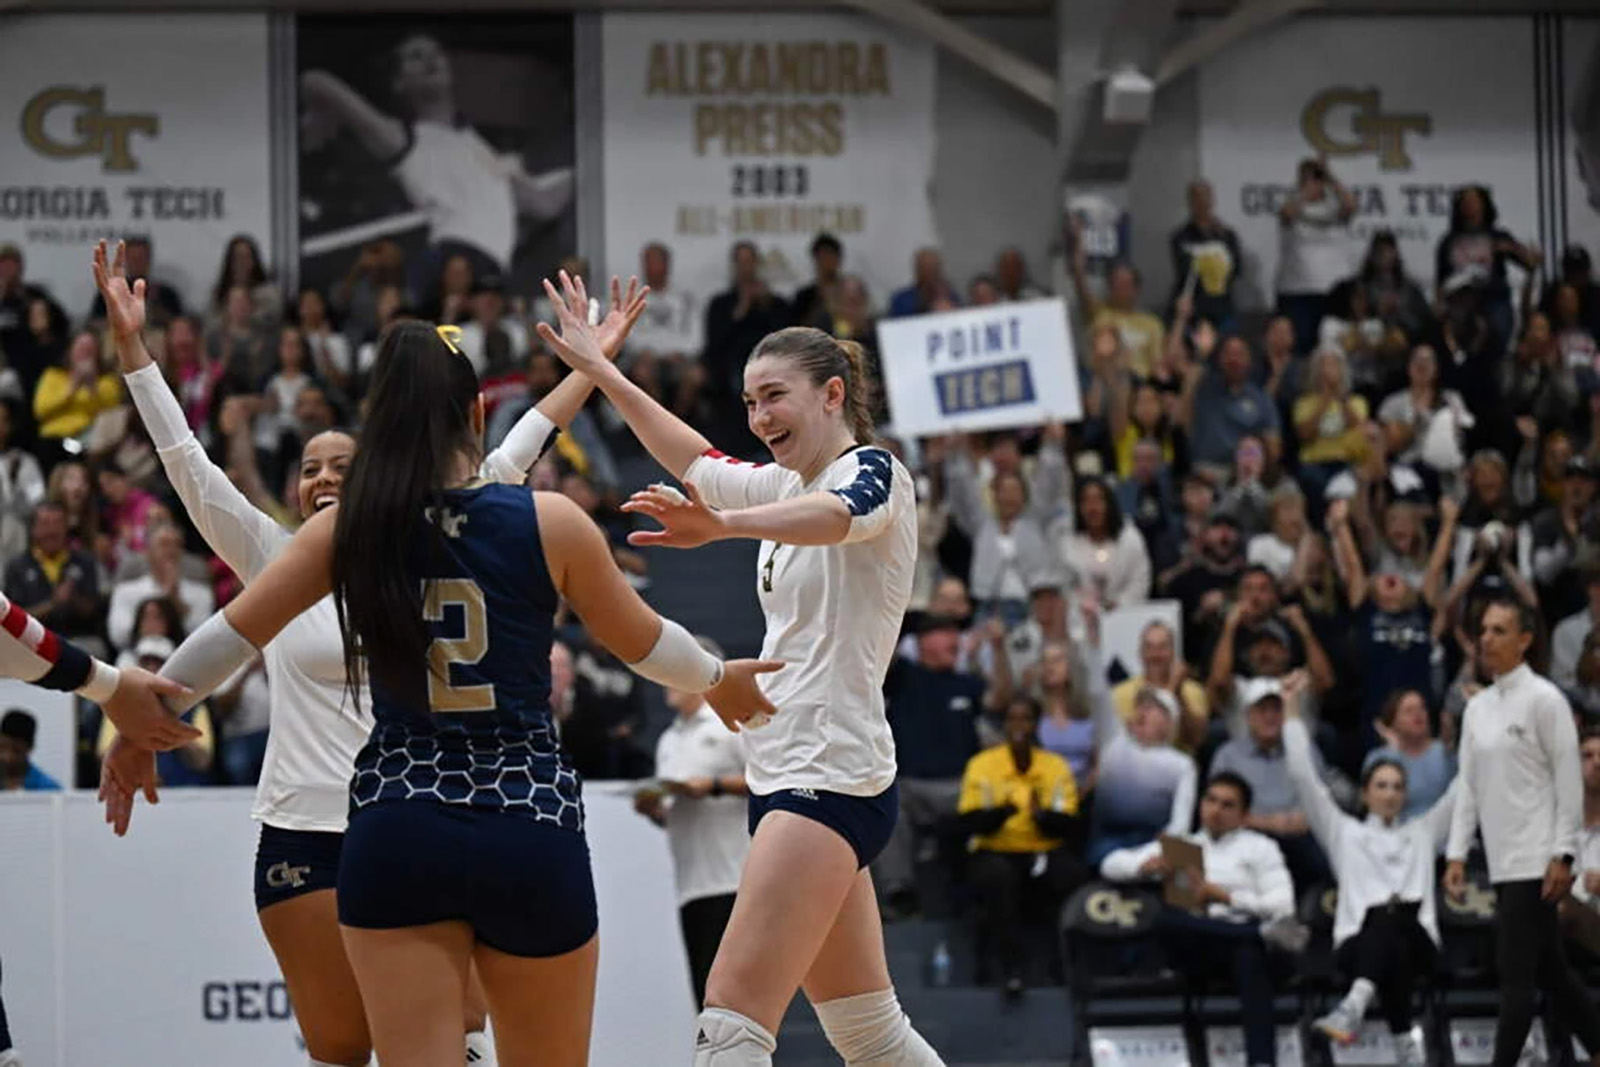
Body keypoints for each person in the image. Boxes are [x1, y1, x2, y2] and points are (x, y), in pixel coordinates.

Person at [105, 317, 778, 1067]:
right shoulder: (549, 519)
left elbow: (226, 637)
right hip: (526, 815)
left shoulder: (349, 531)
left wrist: (138, 720)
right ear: (477, 415)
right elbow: (645, 639)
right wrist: (719, 678)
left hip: (397, 821)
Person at [536, 272, 943, 1066]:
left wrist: (720, 524)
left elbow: (836, 518)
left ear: (832, 395)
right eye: (750, 402)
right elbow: (693, 455)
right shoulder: (783, 482)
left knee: (730, 1019)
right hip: (794, 771)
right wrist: (600, 369)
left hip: (826, 774)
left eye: (774, 397)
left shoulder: (875, 471)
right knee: (869, 1032)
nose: (758, 418)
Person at [1445, 596, 1600, 1067]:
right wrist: (1455, 853)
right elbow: (1468, 787)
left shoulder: (1545, 700)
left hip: (1536, 859)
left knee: (1516, 983)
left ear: (1526, 640)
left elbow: (1568, 783)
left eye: (1498, 631)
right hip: (1501, 858)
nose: (1486, 639)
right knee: (1552, 973)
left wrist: (1564, 854)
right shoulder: (1477, 709)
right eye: (1483, 631)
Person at [1274, 672, 1456, 1066]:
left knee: (1393, 918)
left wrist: (1479, 720)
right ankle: (1405, 1040)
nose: (1390, 794)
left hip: (1422, 943)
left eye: (1397, 787)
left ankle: (1354, 1004)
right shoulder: (1344, 832)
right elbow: (1305, 777)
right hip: (1357, 948)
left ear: (1405, 795)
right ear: (1365, 792)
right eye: (1381, 785)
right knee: (1385, 922)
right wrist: (1290, 711)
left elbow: (1466, 788)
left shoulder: (1422, 833)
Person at [299, 33, 574, 285]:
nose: (430, 60)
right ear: (399, 82)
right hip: (451, 259)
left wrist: (586, 169)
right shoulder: (404, 138)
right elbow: (315, 80)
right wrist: (320, 115)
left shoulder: (478, 145)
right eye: (416, 56)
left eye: (435, 53)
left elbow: (544, 204)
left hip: (490, 268)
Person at [1099, 771, 1305, 1067]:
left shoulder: (1260, 848)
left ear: (1244, 815)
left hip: (1246, 952)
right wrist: (1145, 867)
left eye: (1227, 805)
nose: (1216, 810)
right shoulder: (1184, 846)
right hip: (1200, 949)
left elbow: (1284, 906)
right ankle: (1258, 933)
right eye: (1211, 801)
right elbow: (1109, 865)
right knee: (1164, 920)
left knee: (1248, 956)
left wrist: (1224, 897)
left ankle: (1262, 1062)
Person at [635, 635, 751, 1007]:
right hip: (692, 884)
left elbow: (769, 780)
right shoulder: (668, 739)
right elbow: (675, 810)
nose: (666, 682)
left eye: (674, 672)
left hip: (734, 879)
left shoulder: (731, 725)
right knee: (704, 997)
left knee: (733, 999)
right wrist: (656, 811)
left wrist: (713, 785)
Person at [0, 709, 58, 790]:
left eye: (17, 751)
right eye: (2, 748)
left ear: (30, 748)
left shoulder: (49, 790)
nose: (8, 757)